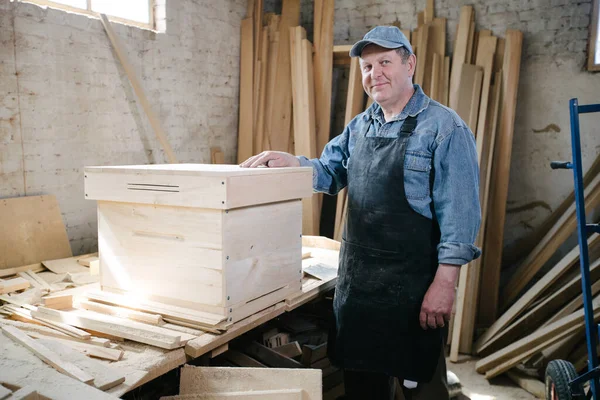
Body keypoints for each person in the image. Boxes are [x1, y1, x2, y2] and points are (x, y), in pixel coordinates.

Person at [241, 25, 481, 400]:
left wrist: (445, 284)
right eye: (367, 67)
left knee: (422, 388)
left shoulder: (445, 128)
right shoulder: (360, 125)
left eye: (385, 62)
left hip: (413, 292)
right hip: (359, 290)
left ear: (410, 64)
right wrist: (294, 164)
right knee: (362, 387)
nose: (375, 74)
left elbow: (461, 217)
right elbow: (329, 172)